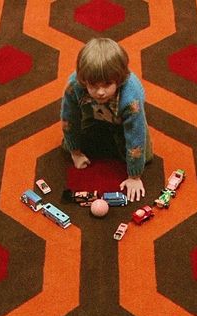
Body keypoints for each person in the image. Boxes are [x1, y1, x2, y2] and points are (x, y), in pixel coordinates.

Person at [61, 38, 153, 202]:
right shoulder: (74, 85)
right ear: (83, 80)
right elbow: (69, 119)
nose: (100, 92)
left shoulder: (132, 99)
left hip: (122, 118)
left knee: (145, 158)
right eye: (93, 86)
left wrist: (134, 176)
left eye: (107, 84)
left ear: (119, 79)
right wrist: (75, 152)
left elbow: (135, 137)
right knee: (66, 146)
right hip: (92, 113)